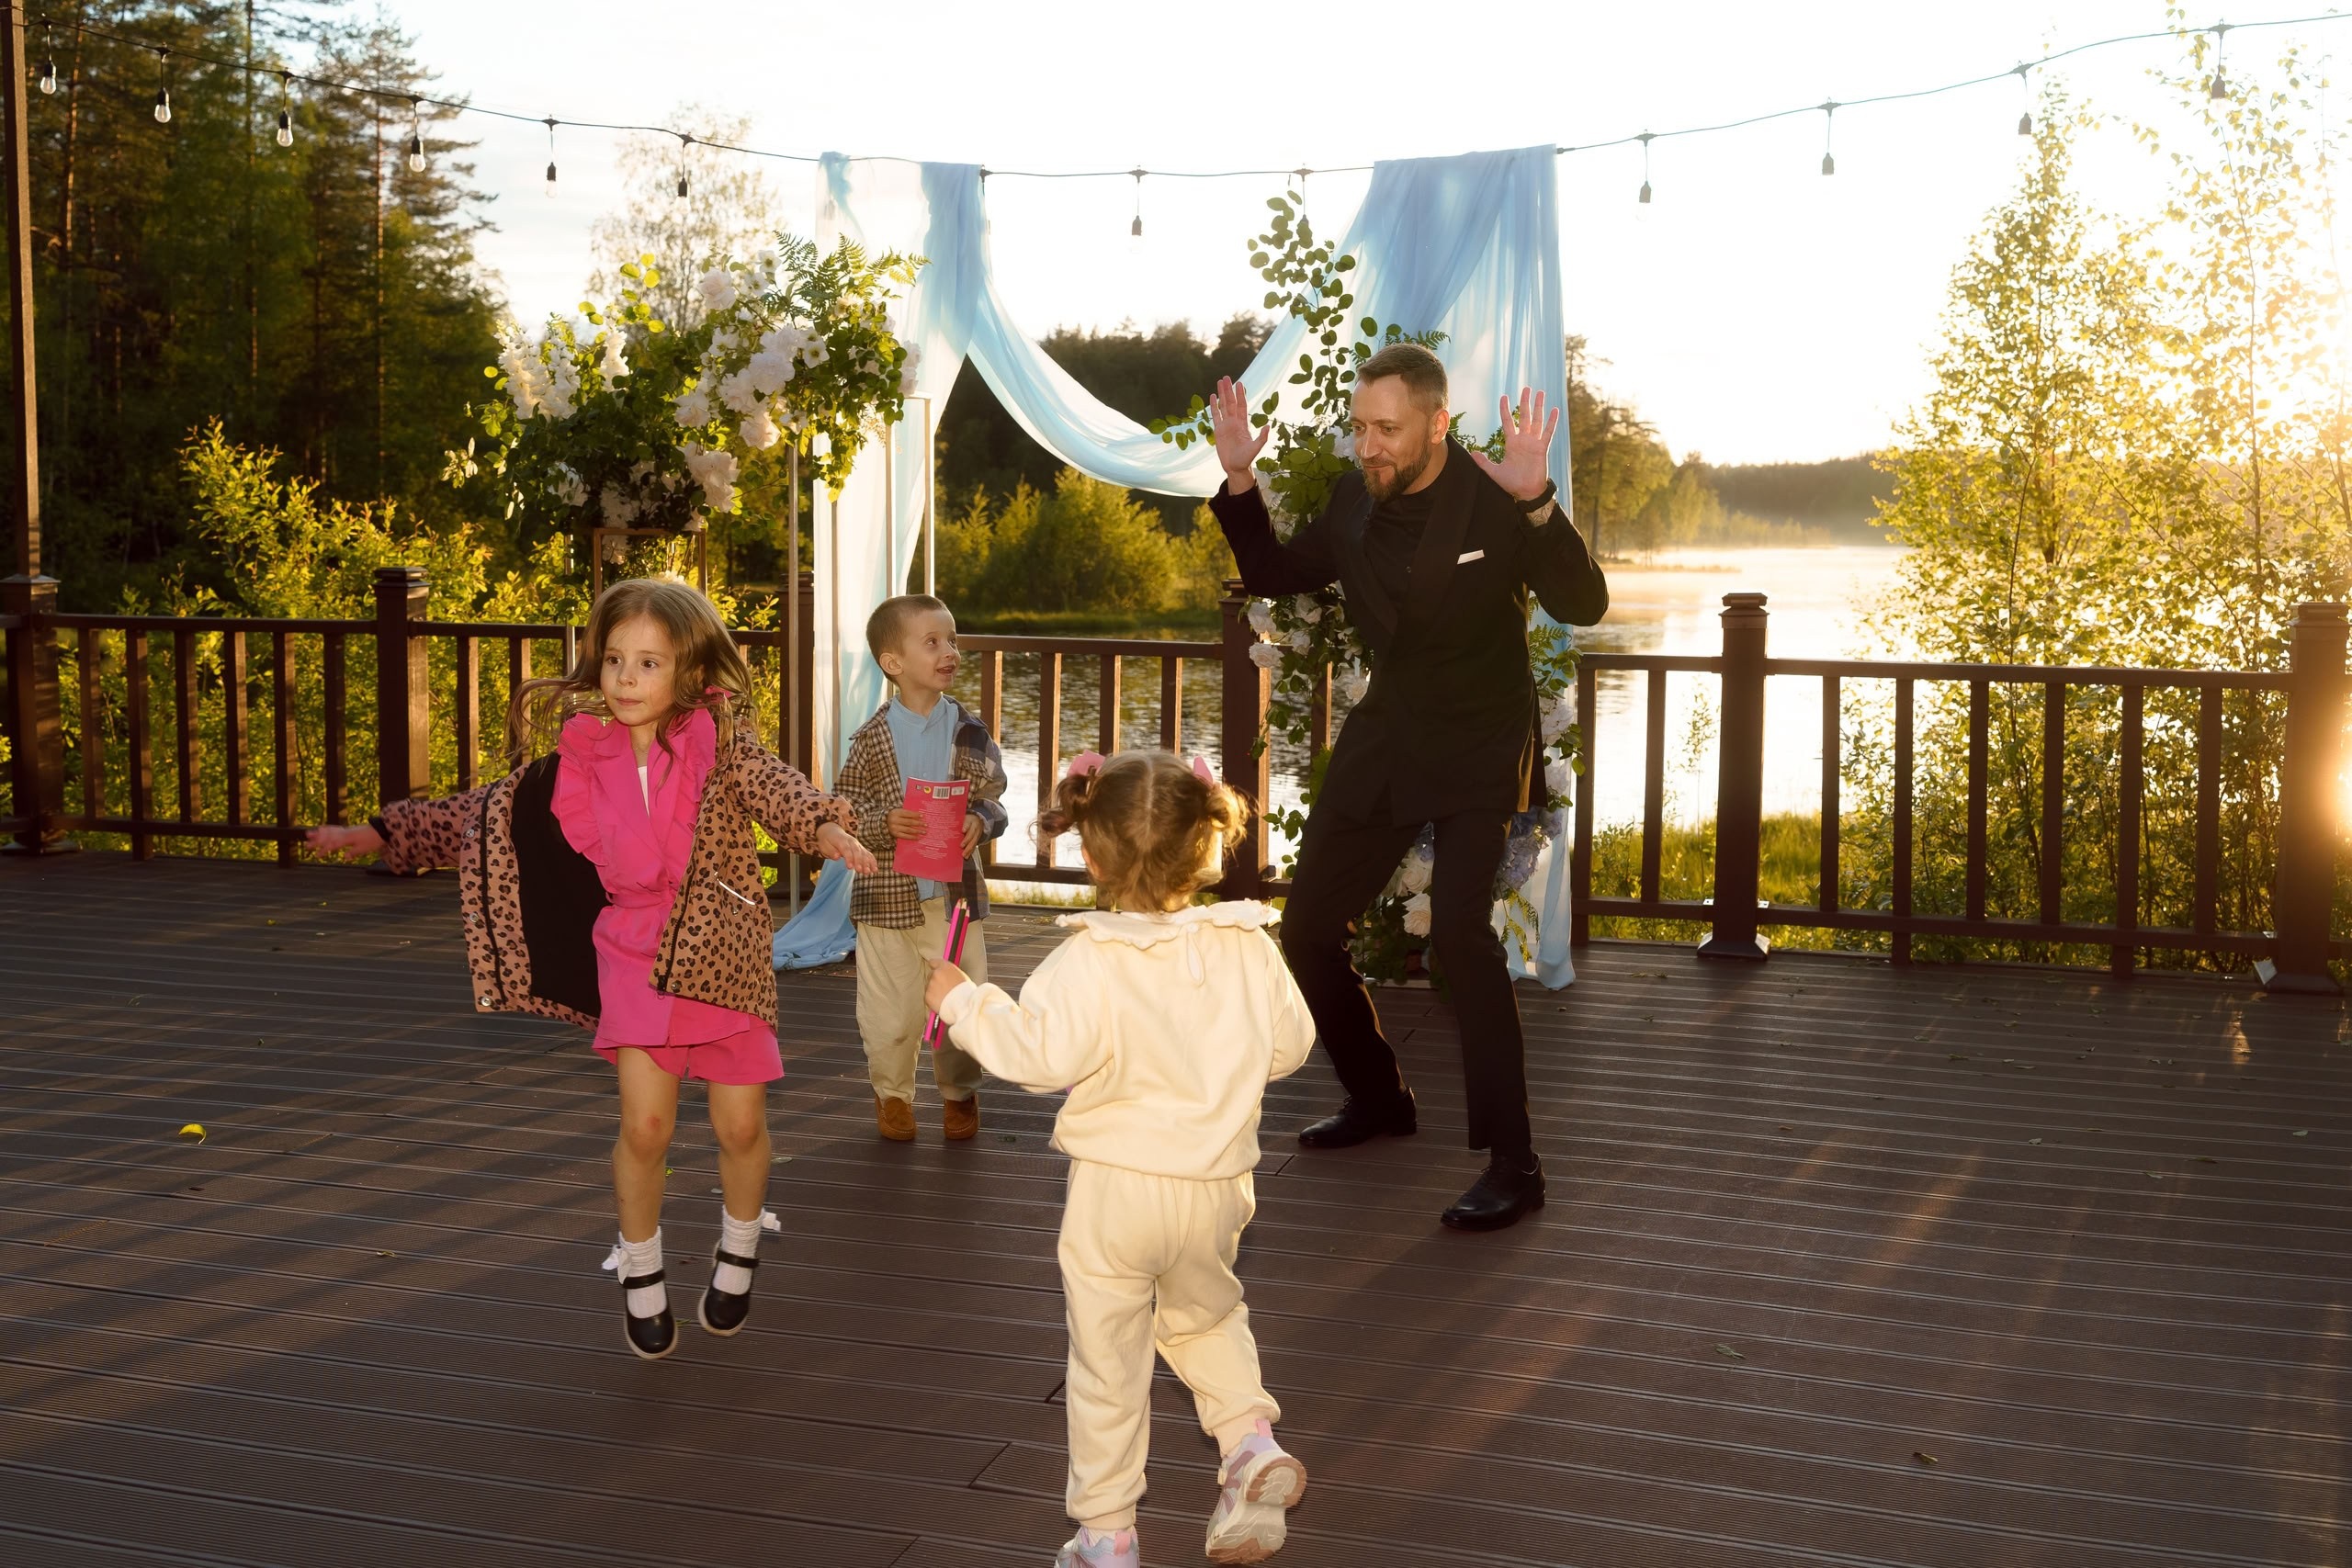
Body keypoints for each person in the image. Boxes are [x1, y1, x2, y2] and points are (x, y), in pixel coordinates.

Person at [307, 576, 876, 1359]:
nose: (627, 678)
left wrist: (823, 826)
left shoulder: (723, 744)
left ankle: (738, 1248)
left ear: (688, 669)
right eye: (614, 659)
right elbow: (478, 813)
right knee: (646, 1125)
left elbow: (780, 791)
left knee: (740, 1125)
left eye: (649, 662)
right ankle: (640, 1266)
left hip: (723, 953)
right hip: (634, 955)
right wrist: (382, 834)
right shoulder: (578, 759)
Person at [1207, 344, 1609, 1232]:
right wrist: (1239, 476)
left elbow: (1583, 603)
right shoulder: (1355, 499)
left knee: (1463, 938)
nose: (1367, 446)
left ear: (1435, 423)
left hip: (1478, 741)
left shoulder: (1498, 501)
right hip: (1388, 736)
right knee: (1308, 927)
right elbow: (1276, 574)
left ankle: (1516, 1162)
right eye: (1359, 428)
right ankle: (1380, 1095)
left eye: (1385, 429)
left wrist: (1539, 501)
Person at [924, 750, 1314, 1568]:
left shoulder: (1089, 958)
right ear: (1205, 846)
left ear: (1091, 856)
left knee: (1108, 1363)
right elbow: (1291, 1046)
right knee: (1205, 1316)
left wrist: (963, 1000)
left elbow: (1036, 1055)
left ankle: (1106, 1537)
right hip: (1214, 1190)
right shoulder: (1247, 944)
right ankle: (1247, 1438)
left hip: (1116, 1199)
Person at [835, 592, 1011, 1142]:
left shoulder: (971, 733)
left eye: (952, 640)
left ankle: (960, 1094)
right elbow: (841, 811)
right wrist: (881, 821)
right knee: (890, 1013)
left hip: (954, 900)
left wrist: (981, 819)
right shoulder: (869, 741)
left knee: (962, 1000)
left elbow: (996, 798)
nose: (949, 651)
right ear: (894, 663)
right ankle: (892, 1095)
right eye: (932, 642)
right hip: (886, 899)